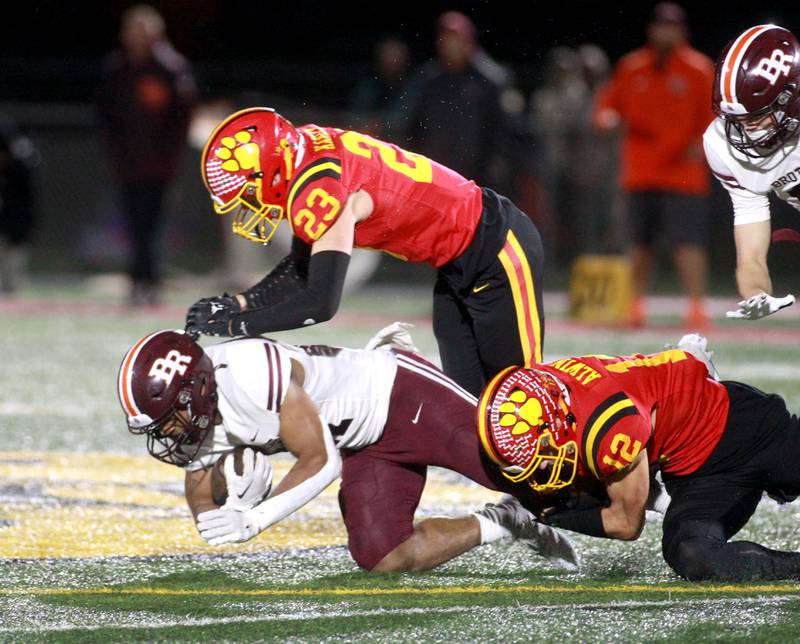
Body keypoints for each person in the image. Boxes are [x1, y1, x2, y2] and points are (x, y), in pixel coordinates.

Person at [116, 327, 578, 572]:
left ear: (195, 391)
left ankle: (634, 463)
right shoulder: (202, 417)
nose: (170, 433)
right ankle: (503, 521)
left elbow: (320, 462)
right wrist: (224, 510)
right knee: (383, 556)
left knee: (540, 474)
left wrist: (256, 518)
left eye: (169, 419)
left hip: (402, 397)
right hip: (366, 444)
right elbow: (199, 494)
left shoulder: (253, 374)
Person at [184, 106, 545, 398]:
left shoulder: (318, 188)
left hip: (496, 246)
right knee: (467, 400)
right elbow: (301, 269)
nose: (248, 203)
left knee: (524, 398)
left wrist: (236, 324)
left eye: (248, 191)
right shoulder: (305, 149)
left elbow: (319, 303)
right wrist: (240, 304)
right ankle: (522, 487)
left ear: (273, 170)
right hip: (456, 264)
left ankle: (579, 488)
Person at [477, 334, 800, 581]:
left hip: (747, 428)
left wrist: (545, 514)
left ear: (558, 423)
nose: (543, 465)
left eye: (542, 453)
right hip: (698, 474)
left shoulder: (608, 427)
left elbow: (626, 524)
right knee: (693, 554)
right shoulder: (546, 392)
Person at [593, 3, 714, 328]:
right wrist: (606, 118)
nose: (665, 31)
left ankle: (697, 307)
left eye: (672, 26)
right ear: (651, 30)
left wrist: (702, 144)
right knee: (639, 244)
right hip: (641, 172)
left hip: (682, 175)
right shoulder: (632, 67)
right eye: (660, 25)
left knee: (687, 244)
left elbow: (715, 116)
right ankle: (635, 306)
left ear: (682, 31)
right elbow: (607, 105)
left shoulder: (699, 69)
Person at [96, 4, 196, 306]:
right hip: (127, 163)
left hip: (160, 165)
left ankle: (149, 281)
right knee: (133, 223)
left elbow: (182, 118)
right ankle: (138, 281)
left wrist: (170, 157)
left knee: (153, 224)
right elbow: (105, 115)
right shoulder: (116, 69)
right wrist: (114, 152)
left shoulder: (171, 68)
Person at [703, 24, 800, 321]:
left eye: (757, 116)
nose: (746, 130)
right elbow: (751, 256)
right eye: (737, 119)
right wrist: (756, 293)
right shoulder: (721, 145)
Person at [403, 11, 517, 194]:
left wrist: (495, 170)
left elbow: (503, 132)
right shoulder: (430, 79)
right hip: (437, 173)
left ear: (467, 39)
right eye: (444, 37)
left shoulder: (491, 80)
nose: (449, 43)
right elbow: (415, 124)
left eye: (454, 37)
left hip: (478, 177)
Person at [0, 112, 39, 293]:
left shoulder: (20, 155)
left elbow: (26, 188)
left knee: (15, 247)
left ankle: (12, 286)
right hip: (13, 204)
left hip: (19, 206)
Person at [349, 36, 411, 142]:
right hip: (372, 142)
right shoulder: (370, 84)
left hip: (402, 143)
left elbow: (406, 119)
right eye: (387, 56)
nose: (392, 61)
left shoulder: (413, 85)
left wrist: (380, 123)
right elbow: (358, 116)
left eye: (396, 56)